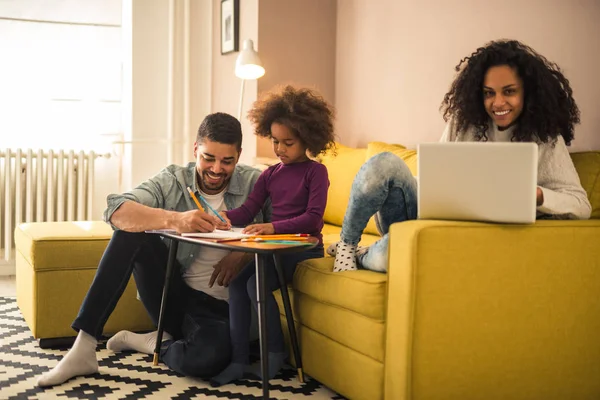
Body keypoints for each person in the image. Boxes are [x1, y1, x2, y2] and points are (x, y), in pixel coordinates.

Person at [37, 112, 271, 387]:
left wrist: (245, 253)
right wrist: (176, 219)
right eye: (208, 157)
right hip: (176, 298)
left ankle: (152, 342)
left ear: (239, 155)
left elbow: (287, 229)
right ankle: (84, 347)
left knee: (207, 360)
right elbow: (116, 210)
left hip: (228, 311)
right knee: (129, 233)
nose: (217, 169)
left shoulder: (259, 182)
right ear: (196, 149)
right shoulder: (173, 179)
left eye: (227, 161)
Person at [331, 39, 592, 274]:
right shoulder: (464, 123)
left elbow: (580, 205)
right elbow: (435, 178)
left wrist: (537, 194)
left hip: (453, 237)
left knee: (395, 253)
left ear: (528, 92)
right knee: (384, 162)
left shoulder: (545, 138)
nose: (498, 103)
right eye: (489, 93)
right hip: (427, 217)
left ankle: (365, 254)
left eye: (509, 91)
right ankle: (347, 244)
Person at [209, 85, 336, 386]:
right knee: (237, 283)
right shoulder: (270, 174)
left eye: (288, 143)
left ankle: (275, 354)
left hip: (302, 248)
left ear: (308, 138)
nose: (279, 149)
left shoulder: (315, 173)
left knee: (255, 283)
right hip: (275, 247)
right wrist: (225, 217)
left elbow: (314, 219)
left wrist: (273, 227)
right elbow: (249, 208)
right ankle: (239, 360)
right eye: (275, 141)